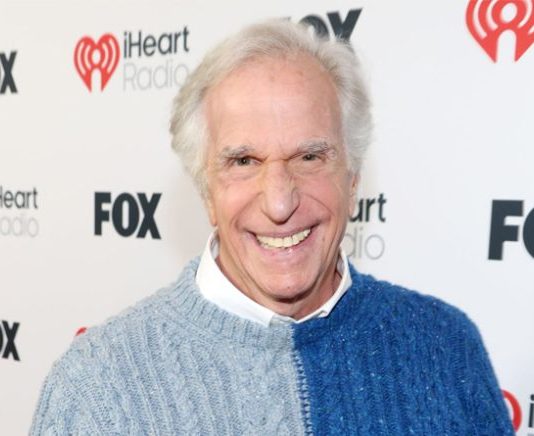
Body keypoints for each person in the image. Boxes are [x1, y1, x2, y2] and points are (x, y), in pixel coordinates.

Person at [31, 20, 514, 435]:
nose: (280, 202)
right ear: (206, 192)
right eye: (243, 161)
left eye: (310, 157)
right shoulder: (96, 388)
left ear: (352, 179)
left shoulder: (446, 346)